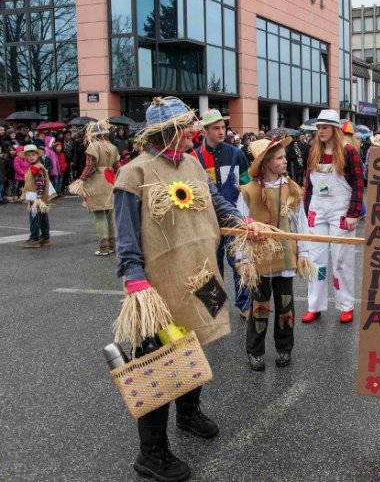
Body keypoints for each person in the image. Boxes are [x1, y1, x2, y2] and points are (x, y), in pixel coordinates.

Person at [114, 96, 252, 481]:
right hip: (157, 285)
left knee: (200, 341)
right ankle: (151, 454)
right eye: (186, 127)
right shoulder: (133, 174)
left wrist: (241, 222)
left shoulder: (192, 162)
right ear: (168, 132)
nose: (194, 132)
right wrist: (135, 279)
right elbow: (126, 237)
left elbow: (216, 200)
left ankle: (189, 413)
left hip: (203, 275)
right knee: (157, 364)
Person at [237, 138, 311, 371]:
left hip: (286, 258)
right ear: (266, 163)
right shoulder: (248, 192)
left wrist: (304, 251)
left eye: (284, 157)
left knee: (286, 306)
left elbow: (301, 223)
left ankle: (284, 348)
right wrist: (244, 259)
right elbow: (240, 228)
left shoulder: (292, 189)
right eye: (279, 158)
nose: (285, 161)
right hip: (259, 260)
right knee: (259, 307)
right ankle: (255, 351)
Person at [302, 110, 364, 324]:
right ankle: (314, 305)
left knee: (341, 261)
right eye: (318, 128)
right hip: (317, 211)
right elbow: (308, 185)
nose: (320, 131)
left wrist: (353, 213)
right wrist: (306, 210)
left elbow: (358, 184)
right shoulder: (313, 153)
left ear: (335, 129)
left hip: (341, 212)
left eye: (325, 128)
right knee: (315, 261)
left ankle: (346, 305)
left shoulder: (349, 152)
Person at [190, 109, 252, 316]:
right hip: (206, 220)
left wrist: (247, 211)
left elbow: (247, 184)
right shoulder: (194, 157)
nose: (221, 131)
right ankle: (214, 308)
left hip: (233, 217)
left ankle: (244, 304)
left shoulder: (236, 153)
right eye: (216, 128)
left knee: (239, 261)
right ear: (205, 131)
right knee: (210, 264)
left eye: (223, 127)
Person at [70, 121, 120, 256]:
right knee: (110, 215)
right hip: (110, 181)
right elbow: (118, 167)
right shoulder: (112, 147)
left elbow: (90, 166)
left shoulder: (93, 146)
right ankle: (112, 245)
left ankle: (104, 247)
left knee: (99, 216)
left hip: (97, 181)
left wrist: (82, 179)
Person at [20, 144, 55, 248]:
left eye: (33, 155)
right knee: (43, 216)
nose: (31, 157)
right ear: (26, 157)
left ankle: (34, 238)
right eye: (29, 155)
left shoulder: (36, 167)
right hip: (38, 197)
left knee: (34, 217)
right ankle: (45, 237)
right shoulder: (35, 166)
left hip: (36, 198)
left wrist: (38, 197)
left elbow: (40, 183)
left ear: (37, 155)